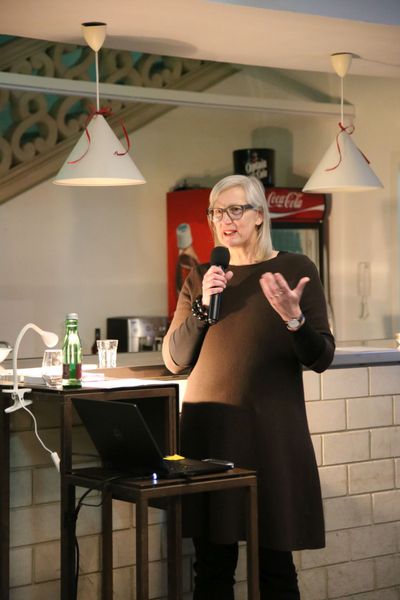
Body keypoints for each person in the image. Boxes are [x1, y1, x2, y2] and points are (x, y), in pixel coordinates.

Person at [162, 174, 335, 600]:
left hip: (271, 433)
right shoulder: (202, 277)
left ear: (259, 215)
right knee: (212, 569)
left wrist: (294, 320)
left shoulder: (296, 269)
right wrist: (202, 306)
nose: (225, 220)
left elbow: (321, 357)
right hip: (209, 434)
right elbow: (174, 360)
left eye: (235, 209)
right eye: (216, 212)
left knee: (275, 567)